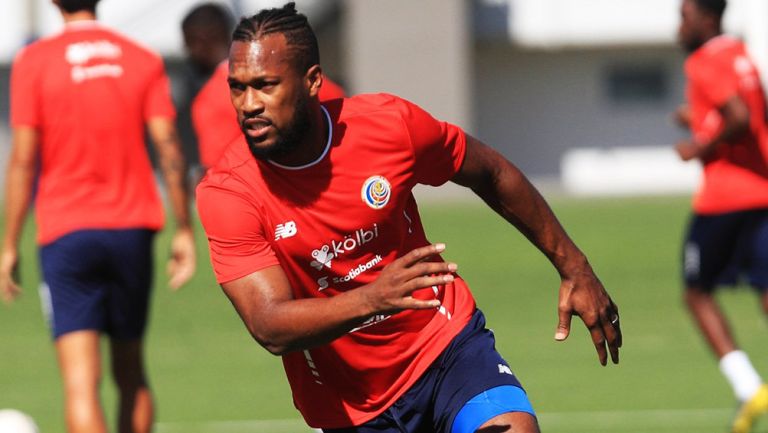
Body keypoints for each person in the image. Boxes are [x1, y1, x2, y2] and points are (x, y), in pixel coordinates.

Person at [196, 3, 621, 433]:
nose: (248, 104)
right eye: (238, 88)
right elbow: (269, 324)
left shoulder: (387, 125)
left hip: (445, 347)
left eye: (265, 86)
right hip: (349, 403)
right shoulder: (229, 192)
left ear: (312, 82)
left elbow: (489, 171)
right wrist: (372, 299)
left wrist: (574, 267)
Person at [0, 1, 196, 432]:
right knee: (131, 373)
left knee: (80, 383)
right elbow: (168, 147)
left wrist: (10, 243)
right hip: (132, 228)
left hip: (66, 232)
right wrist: (184, 228)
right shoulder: (141, 58)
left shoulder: (34, 61)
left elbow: (22, 161)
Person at [675, 0, 768, 432]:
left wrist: (699, 146)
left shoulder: (704, 61)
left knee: (696, 291)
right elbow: (747, 115)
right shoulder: (742, 55)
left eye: (684, 16)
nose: (679, 26)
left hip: (724, 200)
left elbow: (739, 116)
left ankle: (749, 387)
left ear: (707, 20)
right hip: (763, 192)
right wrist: (700, 123)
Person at [183, 2, 346, 171]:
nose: (250, 104)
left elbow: (218, 172)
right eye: (238, 88)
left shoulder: (210, 100)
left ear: (200, 41)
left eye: (188, 45)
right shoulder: (305, 80)